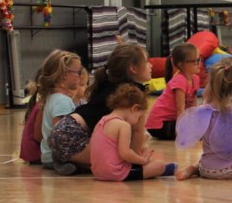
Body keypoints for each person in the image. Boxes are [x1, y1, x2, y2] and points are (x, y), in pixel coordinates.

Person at [48, 42, 152, 174]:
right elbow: (137, 130)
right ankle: (71, 159)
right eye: (147, 61)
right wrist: (136, 161)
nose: (151, 65)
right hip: (71, 134)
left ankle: (70, 159)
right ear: (133, 68)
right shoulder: (133, 94)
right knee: (117, 158)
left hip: (62, 131)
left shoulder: (109, 84)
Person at [91, 85, 175, 181]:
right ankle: (162, 170)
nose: (137, 121)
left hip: (97, 172)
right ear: (134, 108)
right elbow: (125, 154)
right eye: (139, 117)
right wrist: (143, 161)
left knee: (146, 160)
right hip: (114, 173)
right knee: (159, 165)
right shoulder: (123, 125)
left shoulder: (103, 120)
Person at [38, 49, 83, 171]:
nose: (80, 76)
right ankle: (61, 163)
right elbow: (59, 134)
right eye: (78, 72)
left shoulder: (52, 97)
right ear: (64, 74)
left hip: (48, 155)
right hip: (55, 156)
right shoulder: (62, 101)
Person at [146, 43, 200, 140]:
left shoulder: (195, 79)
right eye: (194, 61)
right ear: (181, 64)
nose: (198, 63)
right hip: (159, 124)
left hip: (173, 120)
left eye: (199, 59)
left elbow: (193, 107)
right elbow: (180, 109)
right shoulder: (179, 81)